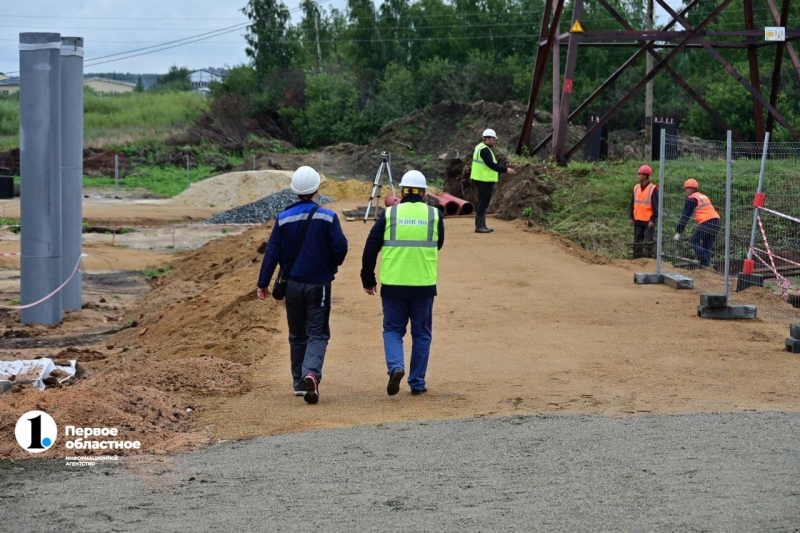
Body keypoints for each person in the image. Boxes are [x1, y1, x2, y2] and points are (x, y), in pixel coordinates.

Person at [256, 166, 348, 404]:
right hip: (319, 285)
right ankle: (311, 374)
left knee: (297, 334)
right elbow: (341, 248)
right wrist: (329, 264)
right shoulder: (328, 217)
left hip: (292, 285)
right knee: (317, 333)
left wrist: (263, 283)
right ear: (318, 188)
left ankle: (299, 382)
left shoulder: (284, 218)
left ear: (295, 191)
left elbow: (272, 252)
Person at [361, 170, 445, 396]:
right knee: (422, 335)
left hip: (393, 285)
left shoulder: (390, 214)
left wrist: (367, 277)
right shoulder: (434, 215)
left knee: (392, 330)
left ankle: (396, 367)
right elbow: (438, 244)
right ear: (424, 192)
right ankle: (417, 383)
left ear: (401, 192)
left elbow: (371, 245)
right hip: (423, 285)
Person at [469, 128, 517, 234]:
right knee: (483, 202)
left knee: (483, 202)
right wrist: (506, 170)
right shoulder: (484, 150)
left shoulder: (480, 147)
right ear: (487, 139)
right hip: (485, 179)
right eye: (493, 139)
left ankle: (482, 225)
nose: (494, 141)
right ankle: (479, 226)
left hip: (481, 178)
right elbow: (491, 165)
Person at [674, 178, 721, 269]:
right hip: (717, 221)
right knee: (707, 246)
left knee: (693, 240)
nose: (686, 192)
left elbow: (685, 216)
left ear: (690, 189)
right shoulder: (703, 196)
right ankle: (706, 266)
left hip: (707, 221)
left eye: (686, 189)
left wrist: (678, 231)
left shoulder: (692, 199)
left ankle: (705, 263)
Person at [629, 164, 659, 258]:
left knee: (648, 240)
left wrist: (652, 220)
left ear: (645, 176)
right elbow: (632, 204)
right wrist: (631, 217)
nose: (638, 175)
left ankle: (649, 259)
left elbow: (655, 206)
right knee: (637, 241)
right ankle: (636, 260)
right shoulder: (636, 187)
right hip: (638, 219)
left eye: (640, 174)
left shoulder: (653, 189)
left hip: (648, 221)